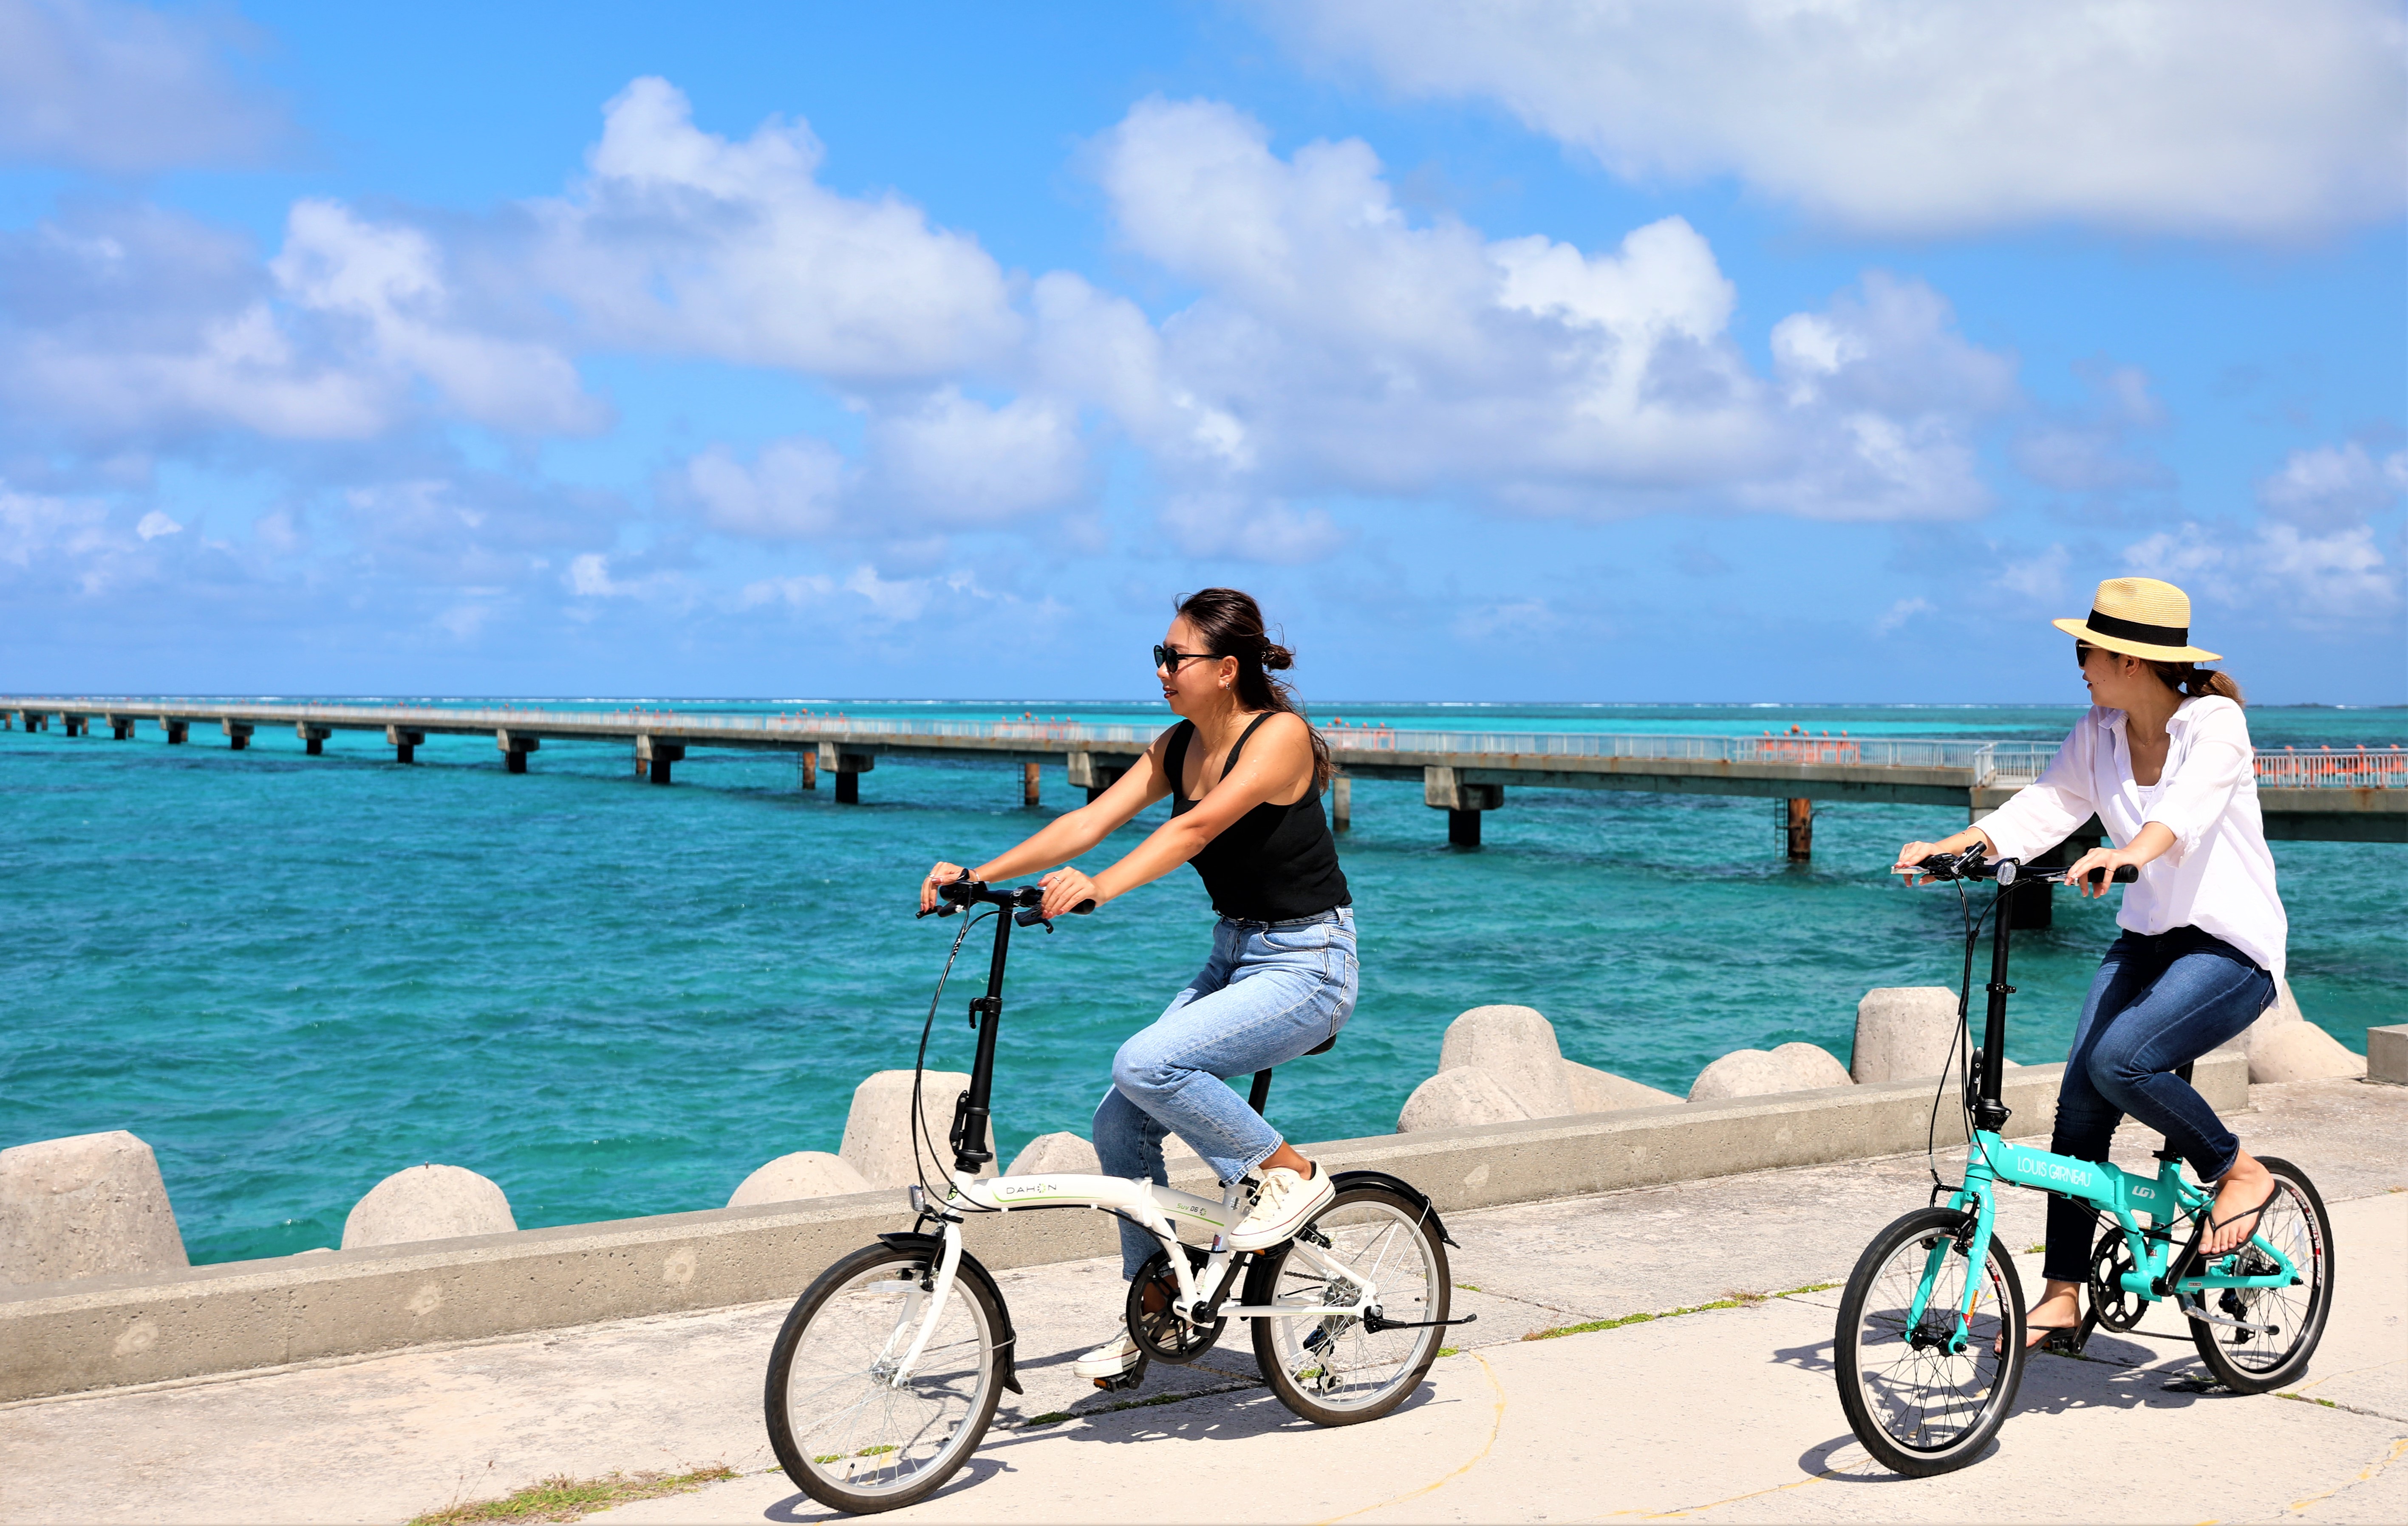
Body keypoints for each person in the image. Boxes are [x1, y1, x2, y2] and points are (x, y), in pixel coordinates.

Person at [919, 588, 1356, 1385]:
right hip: (1237, 956)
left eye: (1174, 657)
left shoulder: (1281, 738)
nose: (1161, 669)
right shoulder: (1177, 744)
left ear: (1226, 670)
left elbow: (1191, 830)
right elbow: (1088, 823)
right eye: (1157, 655)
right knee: (1119, 1124)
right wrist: (976, 874)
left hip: (1309, 965)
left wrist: (1100, 888)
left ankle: (1285, 1174)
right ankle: (1154, 1304)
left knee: (1146, 1064)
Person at [1893, 576, 2286, 1351]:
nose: (2079, 662)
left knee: (2122, 1063)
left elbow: (2187, 812)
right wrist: (1954, 848)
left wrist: (2130, 852)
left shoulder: (2216, 725)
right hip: (2147, 940)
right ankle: (2064, 1294)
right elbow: (2042, 810)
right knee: (2079, 1105)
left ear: (2132, 661)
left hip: (2231, 948)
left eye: (2088, 650)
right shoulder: (2100, 731)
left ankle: (2238, 1171)